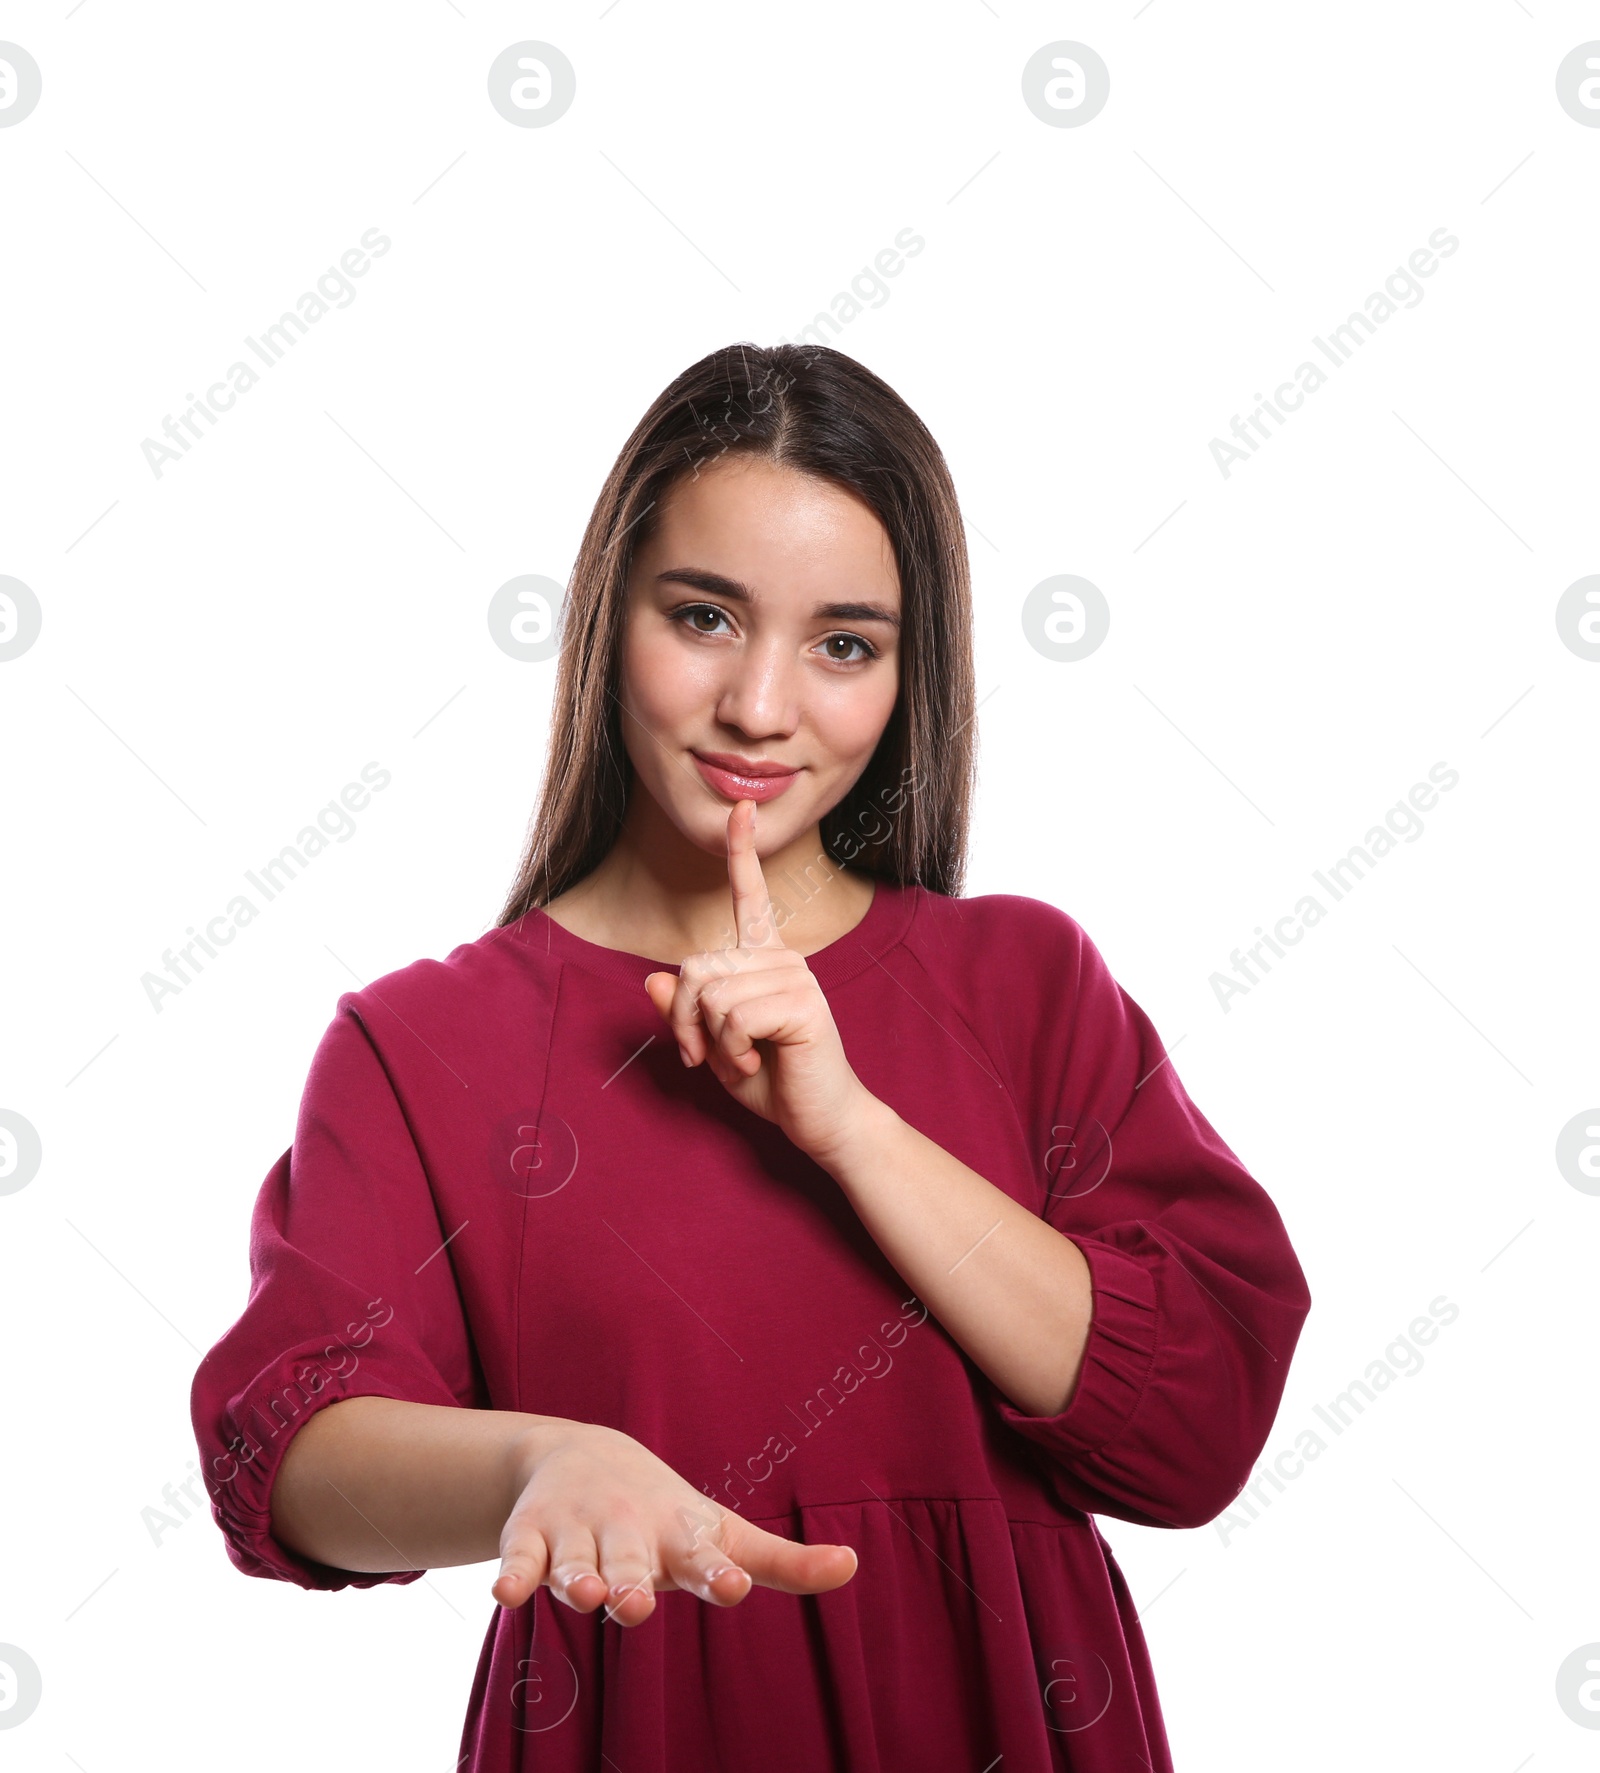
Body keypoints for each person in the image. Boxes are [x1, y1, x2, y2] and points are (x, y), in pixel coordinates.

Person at [189, 342, 1312, 1771]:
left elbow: (1193, 1431)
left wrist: (851, 1127)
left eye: (844, 643)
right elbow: (292, 1458)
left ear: (912, 675)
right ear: (607, 618)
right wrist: (539, 1462)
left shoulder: (1024, 982)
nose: (763, 707)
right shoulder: (419, 1044)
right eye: (706, 616)